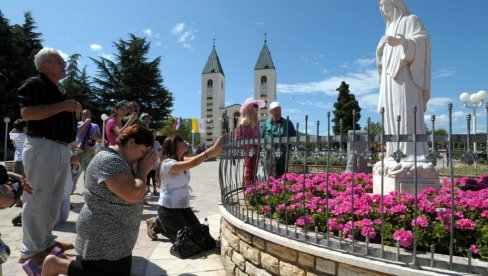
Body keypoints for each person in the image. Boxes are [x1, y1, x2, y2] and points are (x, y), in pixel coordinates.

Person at [41, 125, 157, 276]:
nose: (141, 157)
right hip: (102, 234)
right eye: (142, 151)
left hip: (118, 237)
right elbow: (133, 194)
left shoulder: (124, 160)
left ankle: (57, 264)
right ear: (131, 142)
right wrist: (142, 171)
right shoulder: (110, 161)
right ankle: (56, 265)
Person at [17, 47, 82, 265]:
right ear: (45, 64)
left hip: (59, 148)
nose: (64, 64)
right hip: (42, 145)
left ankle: (45, 242)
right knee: (38, 199)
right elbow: (27, 113)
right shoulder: (34, 84)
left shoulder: (58, 89)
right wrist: (63, 106)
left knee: (54, 200)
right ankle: (31, 249)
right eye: (59, 61)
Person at [376, 0, 430, 161]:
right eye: (379, 4)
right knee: (390, 113)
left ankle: (412, 154)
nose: (381, 6)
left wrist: (404, 42)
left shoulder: (411, 19)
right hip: (388, 79)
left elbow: (423, 41)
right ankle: (394, 151)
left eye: (384, 2)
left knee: (406, 112)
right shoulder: (389, 26)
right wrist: (379, 50)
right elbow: (382, 60)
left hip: (406, 76)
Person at [146, 135, 222, 246]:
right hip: (169, 210)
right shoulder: (167, 164)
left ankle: (162, 224)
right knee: (187, 242)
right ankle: (157, 224)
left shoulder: (181, 161)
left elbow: (196, 160)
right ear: (174, 146)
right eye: (181, 140)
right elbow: (195, 162)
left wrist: (214, 152)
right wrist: (212, 150)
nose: (185, 141)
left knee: (204, 240)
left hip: (184, 208)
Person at [261, 101, 297, 177]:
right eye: (275, 110)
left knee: (282, 175)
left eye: (279, 109)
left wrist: (289, 143)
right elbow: (261, 138)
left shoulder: (288, 123)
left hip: (283, 154)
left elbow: (294, 137)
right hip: (269, 154)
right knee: (270, 176)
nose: (277, 112)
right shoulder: (265, 124)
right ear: (271, 112)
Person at [235, 97, 265, 186]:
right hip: (249, 151)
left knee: (253, 171)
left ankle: (252, 189)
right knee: (249, 171)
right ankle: (248, 190)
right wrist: (254, 143)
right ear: (249, 108)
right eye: (255, 106)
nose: (257, 108)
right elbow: (239, 139)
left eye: (257, 106)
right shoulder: (246, 121)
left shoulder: (254, 121)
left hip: (255, 150)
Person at [75, 109, 102, 183]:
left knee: (88, 171)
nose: (87, 116)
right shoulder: (77, 124)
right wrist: (86, 123)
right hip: (79, 150)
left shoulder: (95, 126)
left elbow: (100, 139)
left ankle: (86, 189)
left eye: (88, 115)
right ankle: (72, 188)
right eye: (85, 114)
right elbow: (77, 132)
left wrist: (94, 137)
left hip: (90, 151)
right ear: (81, 115)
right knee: (76, 171)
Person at [146, 129, 161, 195]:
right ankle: (148, 189)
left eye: (155, 135)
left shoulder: (157, 143)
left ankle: (155, 190)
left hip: (155, 164)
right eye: (153, 135)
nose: (154, 136)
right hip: (147, 163)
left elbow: (160, 151)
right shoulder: (146, 143)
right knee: (148, 177)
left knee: (154, 177)